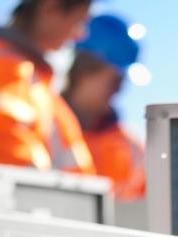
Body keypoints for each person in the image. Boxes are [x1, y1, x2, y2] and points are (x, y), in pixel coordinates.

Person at [0, 0, 95, 173]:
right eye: (79, 21)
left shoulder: (36, 80)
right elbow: (0, 149)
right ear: (51, 7)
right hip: (26, 200)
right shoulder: (6, 66)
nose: (80, 35)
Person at [62, 14, 146, 200]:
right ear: (84, 70)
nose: (119, 90)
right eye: (114, 81)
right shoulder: (43, 125)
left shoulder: (133, 148)